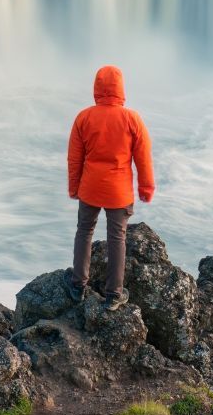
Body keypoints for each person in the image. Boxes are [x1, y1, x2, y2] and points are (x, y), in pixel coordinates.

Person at [67, 64, 156, 308]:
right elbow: (143, 158)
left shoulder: (84, 117)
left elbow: (75, 158)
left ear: (96, 88)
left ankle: (77, 286)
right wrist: (146, 189)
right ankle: (114, 294)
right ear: (120, 89)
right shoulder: (132, 119)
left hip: (90, 188)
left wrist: (74, 188)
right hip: (119, 192)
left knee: (84, 232)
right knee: (117, 238)